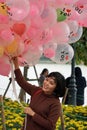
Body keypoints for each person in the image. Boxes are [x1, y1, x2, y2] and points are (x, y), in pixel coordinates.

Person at [12, 57, 66, 130]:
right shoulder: (37, 91)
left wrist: (33, 114)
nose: (46, 83)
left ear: (56, 88)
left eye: (51, 83)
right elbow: (22, 82)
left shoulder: (55, 104)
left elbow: (50, 125)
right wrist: (16, 64)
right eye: (46, 80)